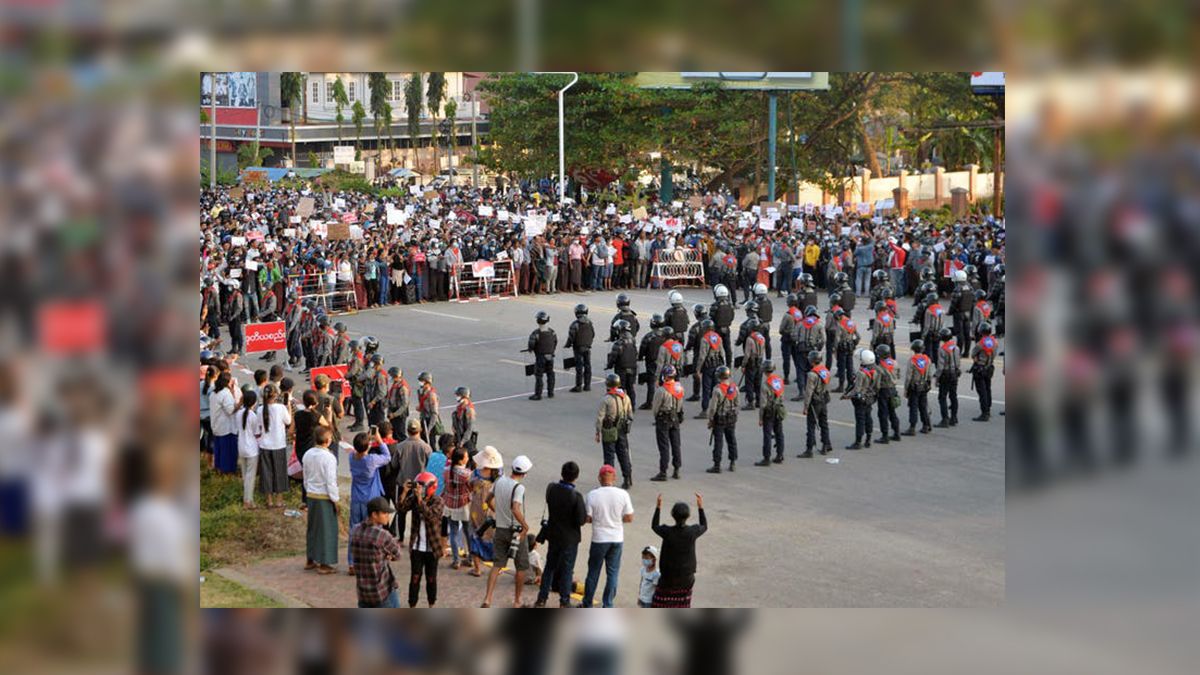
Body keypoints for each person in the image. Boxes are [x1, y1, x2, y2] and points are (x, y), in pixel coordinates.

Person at [482, 454, 532, 608]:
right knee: (521, 566)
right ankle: (517, 601)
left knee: (497, 565)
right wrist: (525, 525)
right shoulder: (519, 487)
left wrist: (497, 512)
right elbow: (515, 509)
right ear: (525, 473)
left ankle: (488, 598)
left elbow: (488, 499)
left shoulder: (500, 481)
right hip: (515, 532)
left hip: (500, 529)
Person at [535, 460, 587, 608]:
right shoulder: (576, 496)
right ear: (576, 477)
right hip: (569, 539)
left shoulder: (551, 489)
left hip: (554, 534)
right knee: (567, 570)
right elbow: (581, 520)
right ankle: (564, 601)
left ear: (562, 474)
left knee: (549, 567)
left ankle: (542, 598)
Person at [581, 465, 634, 608]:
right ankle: (608, 604)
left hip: (599, 539)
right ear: (615, 478)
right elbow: (629, 517)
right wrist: (616, 519)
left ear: (599, 478)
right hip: (616, 539)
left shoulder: (592, 495)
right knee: (613, 573)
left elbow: (588, 519)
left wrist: (600, 519)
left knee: (593, 572)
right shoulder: (623, 494)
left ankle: (587, 603)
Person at [650, 492, 707, 608]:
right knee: (682, 604)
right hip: (686, 578)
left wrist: (658, 507)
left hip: (667, 578)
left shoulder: (667, 532)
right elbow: (704, 525)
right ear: (688, 516)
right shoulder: (692, 532)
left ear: (672, 515)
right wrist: (700, 507)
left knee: (661, 603)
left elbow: (654, 526)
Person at [346, 430, 391, 574]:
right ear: (367, 447)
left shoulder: (352, 458)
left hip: (356, 499)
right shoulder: (371, 460)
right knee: (372, 531)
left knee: (354, 530)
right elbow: (387, 457)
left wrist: (366, 440)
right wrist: (379, 440)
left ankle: (352, 563)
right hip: (370, 500)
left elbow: (357, 450)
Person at [399, 471, 445, 607]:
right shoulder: (414, 498)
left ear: (431, 487)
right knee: (415, 578)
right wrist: (404, 492)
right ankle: (412, 605)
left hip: (432, 547)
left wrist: (419, 500)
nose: (419, 490)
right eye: (418, 486)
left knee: (431, 578)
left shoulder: (438, 501)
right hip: (417, 547)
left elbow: (431, 516)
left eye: (422, 487)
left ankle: (432, 605)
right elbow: (401, 508)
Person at [349, 496, 403, 608]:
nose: (388, 516)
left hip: (363, 592)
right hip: (382, 591)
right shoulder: (383, 535)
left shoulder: (355, 530)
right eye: (384, 513)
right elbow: (398, 554)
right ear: (374, 514)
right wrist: (388, 555)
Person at [302, 426, 339, 574]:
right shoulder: (329, 457)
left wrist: (308, 490)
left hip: (311, 494)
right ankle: (324, 563)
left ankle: (310, 558)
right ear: (328, 440)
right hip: (324, 496)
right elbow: (331, 481)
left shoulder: (308, 454)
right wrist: (335, 499)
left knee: (313, 528)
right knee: (327, 530)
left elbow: (305, 477)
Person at [390, 418, 433, 542]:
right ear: (420, 430)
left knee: (401, 511)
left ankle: (401, 538)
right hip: (420, 485)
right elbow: (430, 466)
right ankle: (416, 539)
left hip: (404, 483)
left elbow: (394, 465)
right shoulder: (426, 447)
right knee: (418, 512)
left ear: (407, 431)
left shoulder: (400, 446)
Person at [467, 445, 503, 578]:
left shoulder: (476, 474)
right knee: (493, 537)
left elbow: (469, 485)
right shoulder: (499, 475)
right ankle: (497, 568)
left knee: (475, 536)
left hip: (476, 509)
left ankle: (477, 568)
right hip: (492, 509)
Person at [595, 373, 634, 490]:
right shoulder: (625, 397)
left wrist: (598, 431)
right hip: (622, 429)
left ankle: (608, 481)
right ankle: (627, 478)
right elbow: (630, 414)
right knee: (623, 454)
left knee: (609, 456)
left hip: (609, 429)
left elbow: (600, 417)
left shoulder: (606, 399)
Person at [256, 384, 292, 509]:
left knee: (266, 472)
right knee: (279, 472)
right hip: (278, 444)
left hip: (265, 444)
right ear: (276, 395)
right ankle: (279, 500)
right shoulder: (281, 408)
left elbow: (259, 425)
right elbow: (288, 421)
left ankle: (269, 500)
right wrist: (289, 408)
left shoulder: (260, 409)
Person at [650, 364, 685, 481]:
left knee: (664, 446)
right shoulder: (679, 388)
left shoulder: (661, 390)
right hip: (675, 417)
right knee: (676, 444)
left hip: (663, 419)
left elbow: (655, 407)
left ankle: (663, 471)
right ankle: (677, 469)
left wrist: (656, 417)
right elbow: (680, 405)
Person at [442, 447, 472, 569]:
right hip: (463, 504)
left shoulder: (446, 470)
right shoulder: (466, 474)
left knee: (453, 533)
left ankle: (456, 560)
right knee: (468, 532)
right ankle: (470, 558)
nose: (468, 458)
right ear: (461, 461)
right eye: (466, 457)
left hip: (449, 504)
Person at [798, 350, 833, 457]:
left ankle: (809, 450)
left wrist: (805, 406)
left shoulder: (812, 374)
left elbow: (809, 392)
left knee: (811, 426)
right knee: (824, 423)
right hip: (823, 399)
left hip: (815, 402)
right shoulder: (825, 371)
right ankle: (826, 444)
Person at [705, 366, 739, 474]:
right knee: (731, 440)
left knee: (718, 442)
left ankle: (717, 465)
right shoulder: (734, 387)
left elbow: (713, 407)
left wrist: (710, 419)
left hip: (720, 418)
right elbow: (737, 404)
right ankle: (732, 462)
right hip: (731, 417)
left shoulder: (717, 389)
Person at [844, 350, 878, 450]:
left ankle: (858, 442)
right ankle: (868, 439)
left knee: (860, 420)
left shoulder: (861, 373)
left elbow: (857, 389)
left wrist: (847, 396)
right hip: (869, 397)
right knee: (868, 417)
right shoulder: (875, 371)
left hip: (861, 399)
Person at [756, 360, 787, 465]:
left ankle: (766, 458)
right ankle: (780, 455)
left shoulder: (765, 385)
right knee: (779, 433)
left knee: (767, 435)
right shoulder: (779, 380)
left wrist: (760, 418)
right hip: (778, 409)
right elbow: (782, 396)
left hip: (769, 411)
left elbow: (763, 404)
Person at [209, 371, 239, 475]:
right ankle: (227, 471)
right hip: (227, 428)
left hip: (216, 425)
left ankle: (218, 468)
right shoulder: (225, 394)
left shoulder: (213, 392)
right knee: (228, 452)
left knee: (219, 450)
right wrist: (239, 405)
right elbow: (230, 410)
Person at [236, 390, 261, 509]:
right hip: (251, 449)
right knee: (251, 477)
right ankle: (248, 501)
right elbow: (257, 433)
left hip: (241, 447)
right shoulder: (253, 416)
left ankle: (246, 498)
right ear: (254, 402)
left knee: (245, 475)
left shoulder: (238, 414)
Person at [606, 320, 639, 409]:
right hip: (632, 368)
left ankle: (620, 407)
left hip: (621, 368)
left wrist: (608, 365)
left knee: (620, 388)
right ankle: (632, 406)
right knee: (630, 388)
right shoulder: (633, 340)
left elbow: (613, 356)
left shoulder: (618, 343)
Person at [903, 339, 934, 435]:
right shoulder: (927, 359)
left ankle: (912, 428)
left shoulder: (912, 360)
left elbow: (908, 377)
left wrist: (906, 389)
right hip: (924, 386)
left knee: (913, 407)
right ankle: (926, 425)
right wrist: (928, 385)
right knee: (923, 406)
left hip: (914, 387)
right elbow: (929, 375)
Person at [874, 344, 902, 444]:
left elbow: (877, 384)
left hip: (883, 391)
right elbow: (898, 375)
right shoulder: (894, 363)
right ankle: (897, 433)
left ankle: (885, 436)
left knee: (883, 414)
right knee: (892, 412)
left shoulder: (879, 367)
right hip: (893, 390)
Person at [970, 322, 998, 421]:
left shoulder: (980, 344)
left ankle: (984, 413)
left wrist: (977, 360)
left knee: (982, 392)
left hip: (980, 368)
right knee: (988, 388)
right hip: (989, 367)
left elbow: (973, 354)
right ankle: (988, 409)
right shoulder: (995, 342)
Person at [934, 327, 961, 428]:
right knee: (953, 396)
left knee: (942, 397)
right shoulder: (956, 347)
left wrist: (937, 378)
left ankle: (945, 419)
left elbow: (940, 366)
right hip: (954, 373)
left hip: (945, 374)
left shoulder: (942, 349)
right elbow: (958, 362)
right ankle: (954, 417)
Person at [528, 311, 558, 400]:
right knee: (550, 373)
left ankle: (538, 394)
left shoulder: (536, 333)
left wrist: (531, 349)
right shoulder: (552, 332)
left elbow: (531, 344)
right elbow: (555, 342)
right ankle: (550, 392)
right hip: (550, 356)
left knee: (539, 375)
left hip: (541, 356)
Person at [566, 304, 595, 392]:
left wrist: (568, 344)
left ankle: (578, 386)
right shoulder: (590, 322)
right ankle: (587, 385)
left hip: (578, 347)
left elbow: (571, 336)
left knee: (579, 367)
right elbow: (593, 334)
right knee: (587, 366)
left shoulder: (575, 324)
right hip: (587, 347)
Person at [416, 371, 442, 450]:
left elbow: (434, 414)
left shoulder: (431, 395)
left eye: (422, 381)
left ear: (427, 382)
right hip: (423, 419)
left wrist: (429, 428)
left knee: (430, 444)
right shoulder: (422, 392)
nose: (420, 383)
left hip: (430, 422)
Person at [451, 386, 477, 452]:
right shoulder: (459, 407)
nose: (456, 397)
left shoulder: (469, 410)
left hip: (466, 440)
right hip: (459, 436)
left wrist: (462, 442)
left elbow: (469, 429)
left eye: (458, 395)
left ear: (464, 396)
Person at [386, 366, 410, 434]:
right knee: (394, 433)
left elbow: (405, 404)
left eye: (391, 376)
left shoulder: (402, 387)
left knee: (400, 433)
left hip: (399, 414)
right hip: (394, 411)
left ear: (396, 376)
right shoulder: (395, 384)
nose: (390, 377)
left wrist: (394, 414)